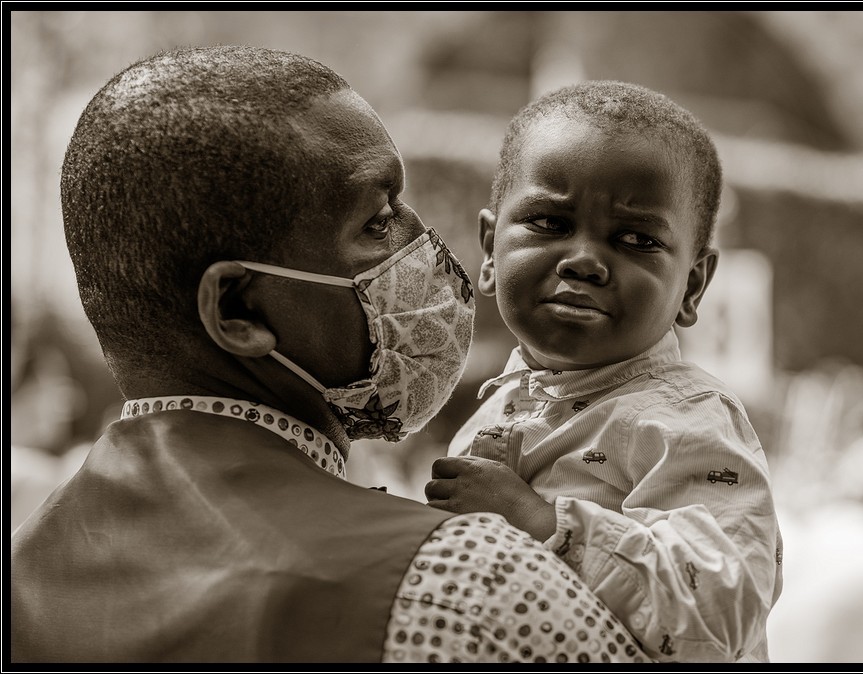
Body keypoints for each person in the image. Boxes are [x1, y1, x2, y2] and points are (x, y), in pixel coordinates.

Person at [10, 47, 654, 664]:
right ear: (237, 310)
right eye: (378, 222)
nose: (425, 248)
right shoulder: (469, 585)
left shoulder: (23, 569)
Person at [424, 81, 783, 662]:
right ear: (489, 250)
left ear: (692, 286)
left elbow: (720, 614)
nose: (585, 260)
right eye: (549, 222)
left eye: (636, 239)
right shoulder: (498, 406)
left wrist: (542, 523)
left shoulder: (686, 424)